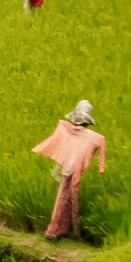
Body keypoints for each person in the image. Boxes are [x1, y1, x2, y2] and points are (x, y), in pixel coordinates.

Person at [33, 99, 106, 240]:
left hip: (68, 168)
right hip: (74, 170)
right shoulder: (85, 135)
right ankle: (58, 231)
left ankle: (63, 230)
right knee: (68, 198)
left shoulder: (70, 130)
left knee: (64, 197)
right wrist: (101, 168)